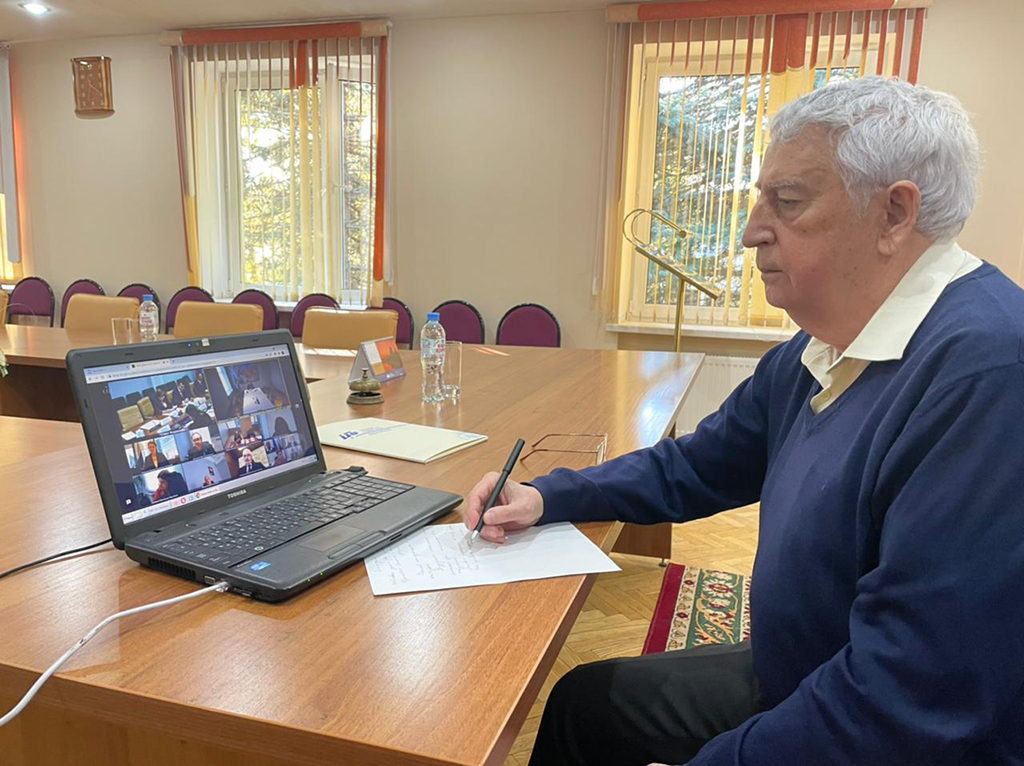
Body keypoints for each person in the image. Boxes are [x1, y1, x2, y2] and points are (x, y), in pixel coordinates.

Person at [466, 77, 1024, 766]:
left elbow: (910, 704)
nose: (750, 231)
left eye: (787, 203)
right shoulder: (822, 344)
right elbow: (698, 464)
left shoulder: (989, 376)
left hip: (888, 722)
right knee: (584, 707)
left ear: (894, 214)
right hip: (797, 671)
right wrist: (548, 496)